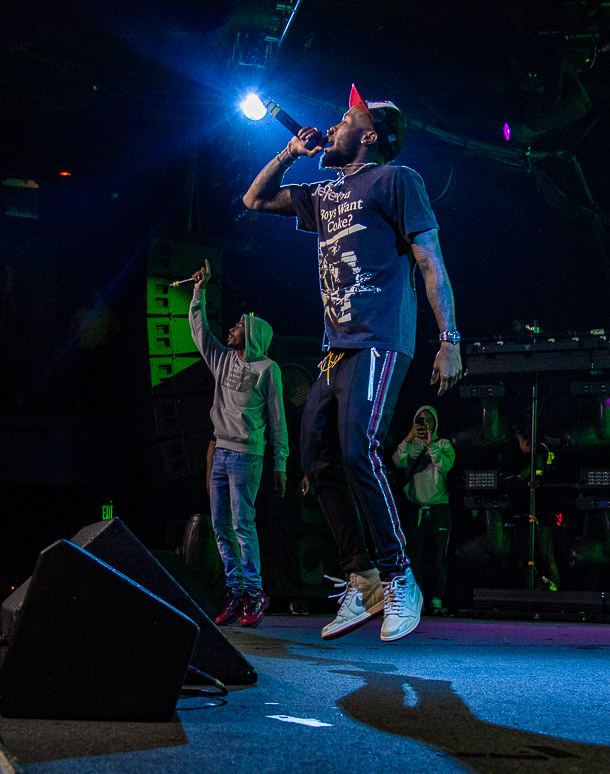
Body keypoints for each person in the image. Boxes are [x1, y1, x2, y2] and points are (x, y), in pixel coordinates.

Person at [242, 83, 463, 642]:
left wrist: (449, 338)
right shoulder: (325, 193)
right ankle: (362, 579)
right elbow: (255, 200)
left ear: (368, 136)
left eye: (344, 120)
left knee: (358, 447)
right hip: (335, 349)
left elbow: (430, 260)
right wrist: (290, 151)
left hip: (380, 339)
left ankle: (399, 575)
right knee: (315, 458)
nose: (333, 127)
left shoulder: (397, 179)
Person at [189, 259, 288, 628]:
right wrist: (198, 293)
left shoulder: (268, 370)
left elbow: (277, 420)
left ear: (253, 335)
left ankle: (254, 592)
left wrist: (280, 463)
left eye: (238, 326)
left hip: (248, 457)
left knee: (243, 524)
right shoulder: (223, 359)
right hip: (221, 453)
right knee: (220, 525)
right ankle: (234, 591)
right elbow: (200, 333)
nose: (231, 329)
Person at [392, 406, 455, 614]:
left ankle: (436, 599)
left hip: (438, 506)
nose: (425, 424)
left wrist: (431, 445)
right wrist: (409, 438)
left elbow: (445, 466)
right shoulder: (410, 445)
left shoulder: (443, 444)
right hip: (414, 506)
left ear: (435, 423)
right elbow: (397, 461)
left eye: (428, 420)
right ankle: (414, 598)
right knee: (413, 554)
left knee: (438, 555)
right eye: (420, 420)